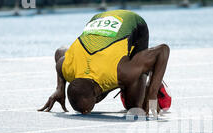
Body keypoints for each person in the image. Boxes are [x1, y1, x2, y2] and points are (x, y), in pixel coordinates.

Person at [38, 10, 171, 117]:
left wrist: (152, 94)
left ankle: (149, 77)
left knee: (135, 106)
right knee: (125, 83)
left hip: (133, 23)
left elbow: (163, 50)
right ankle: (131, 78)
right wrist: (59, 89)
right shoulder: (67, 68)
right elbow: (60, 52)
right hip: (99, 18)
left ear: (97, 97)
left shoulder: (122, 72)